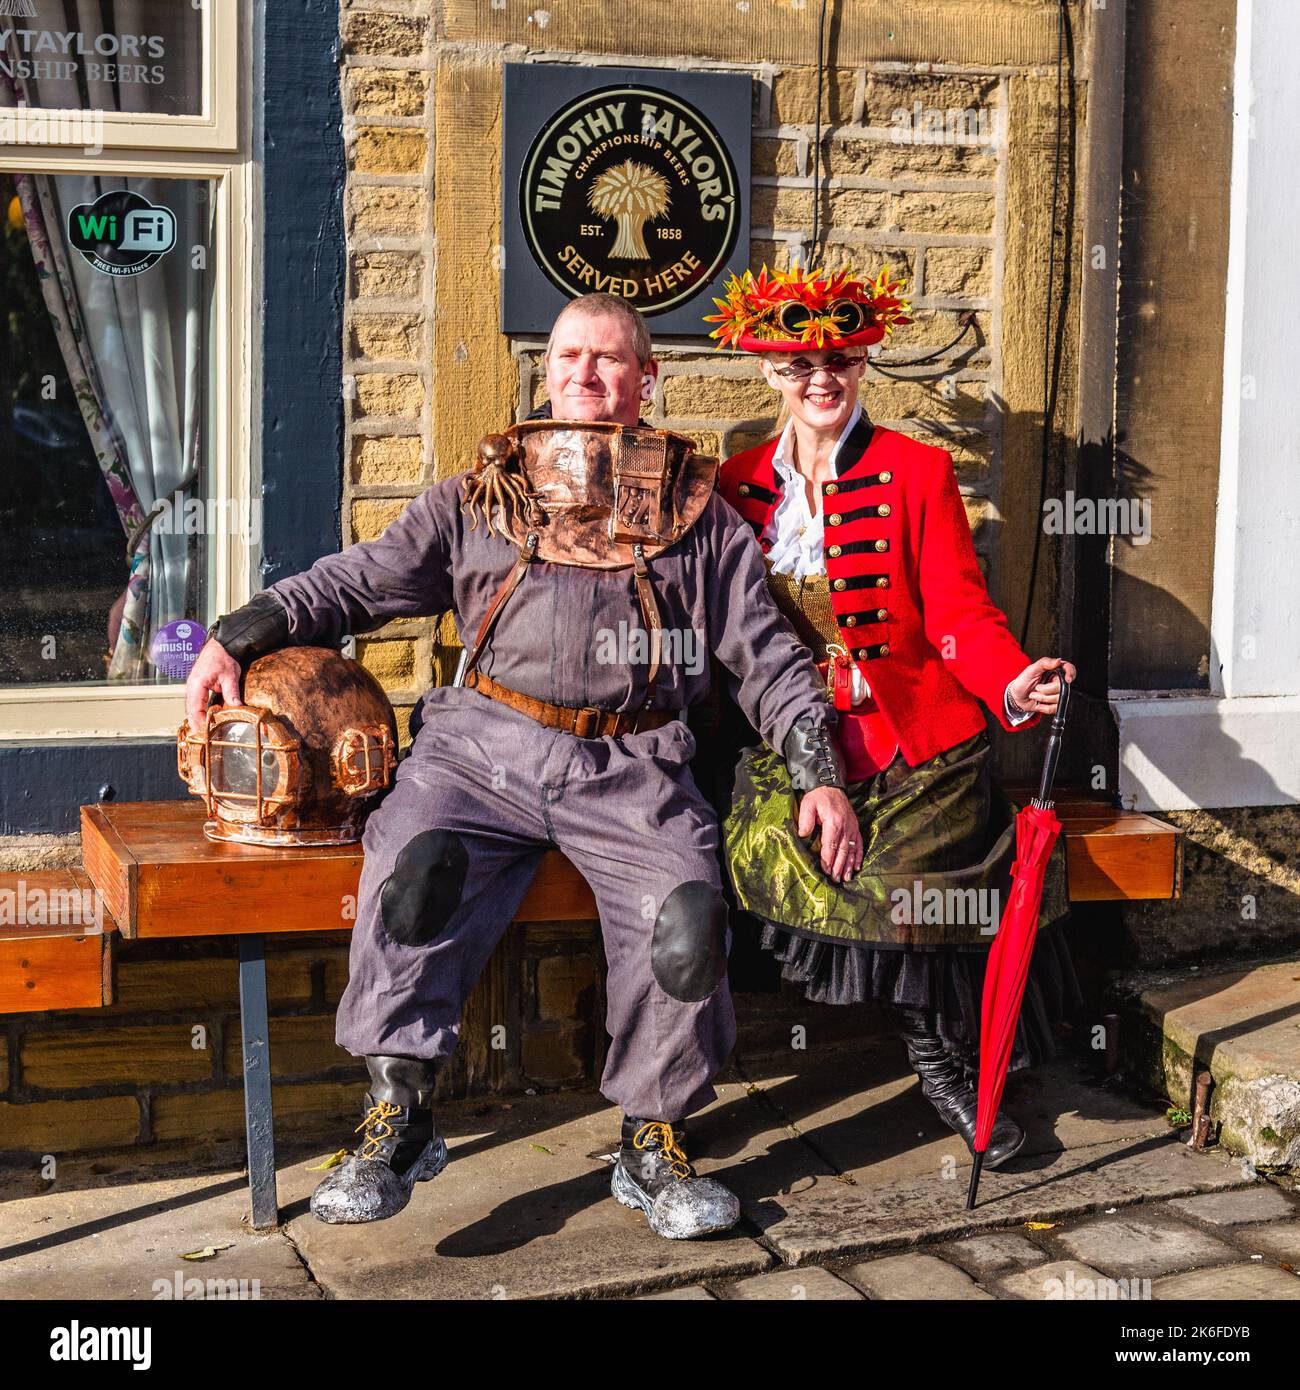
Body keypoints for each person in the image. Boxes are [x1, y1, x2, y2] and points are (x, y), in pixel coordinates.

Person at [183, 292, 859, 1238]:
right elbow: (360, 579)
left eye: (611, 360)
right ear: (546, 375)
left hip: (634, 763)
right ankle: (399, 1115)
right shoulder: (483, 496)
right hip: (480, 753)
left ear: (645, 380)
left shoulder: (700, 516)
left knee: (689, 920)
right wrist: (234, 635)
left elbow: (768, 657)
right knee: (415, 872)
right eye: (571, 356)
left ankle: (651, 1137)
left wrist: (820, 768)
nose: (587, 374)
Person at [704, 265, 1081, 1167]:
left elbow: (960, 613)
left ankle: (935, 1057)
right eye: (799, 364)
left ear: (864, 363)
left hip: (918, 736)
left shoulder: (917, 471)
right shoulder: (735, 483)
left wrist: (1011, 682)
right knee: (775, 849)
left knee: (904, 871)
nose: (819, 379)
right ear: (769, 372)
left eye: (838, 360)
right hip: (795, 740)